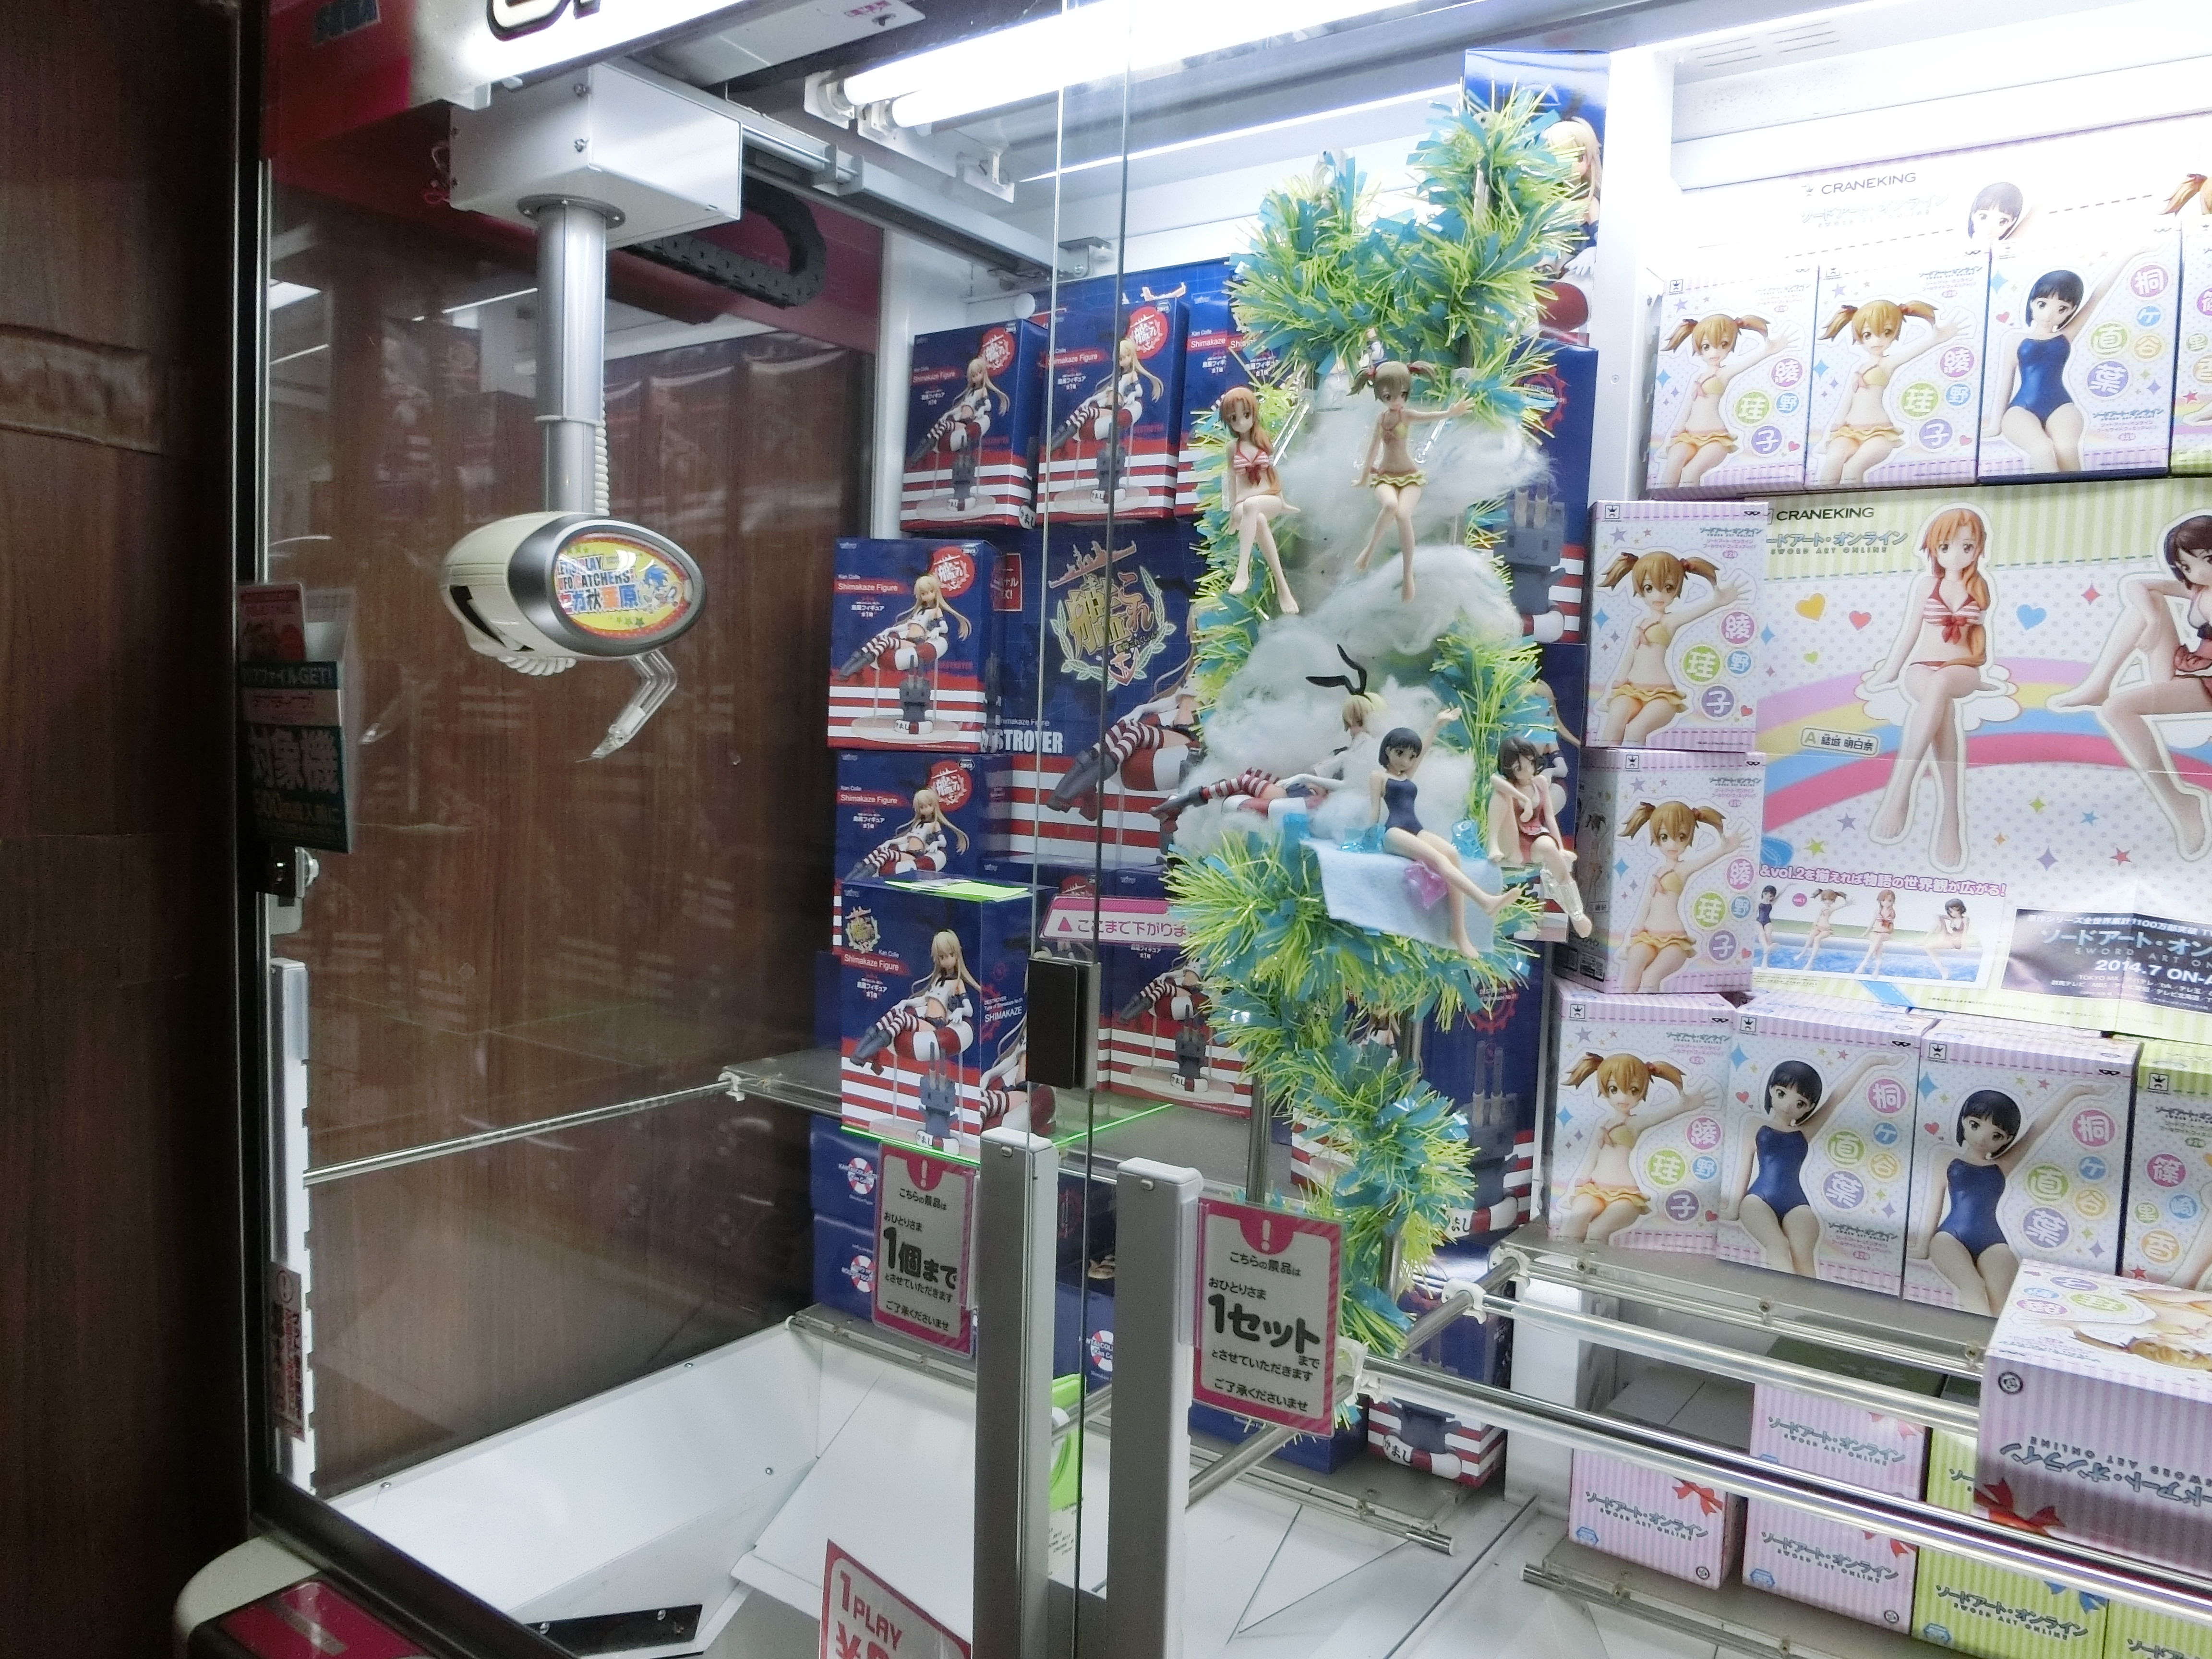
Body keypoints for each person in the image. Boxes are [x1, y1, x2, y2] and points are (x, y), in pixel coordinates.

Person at [2048, 513, 2212, 860]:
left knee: (2117, 709)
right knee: (2148, 602)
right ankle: (2099, 683)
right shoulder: (2199, 589)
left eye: (2207, 560)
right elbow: (2136, 585)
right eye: (2187, 566)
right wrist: (2154, 622)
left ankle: (2180, 802)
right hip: (2192, 669)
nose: (2197, 572)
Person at [1862, 507, 2002, 873]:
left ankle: (1900, 789)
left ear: (1978, 548)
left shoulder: (1979, 586)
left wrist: (1983, 672)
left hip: (1962, 670)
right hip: (1921, 668)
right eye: (1946, 546)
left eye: (1967, 546)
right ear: (1935, 548)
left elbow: (1978, 638)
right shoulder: (1926, 585)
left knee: (1941, 688)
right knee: (1943, 707)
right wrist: (1889, 672)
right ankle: (1949, 818)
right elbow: (1910, 632)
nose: (1956, 555)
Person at [1909, 1083, 2105, 1313]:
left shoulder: (2002, 1165)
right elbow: (1935, 1202)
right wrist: (1923, 1245)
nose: (1983, 1138)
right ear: (1963, 1121)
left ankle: (1992, 1335)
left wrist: (2073, 1092)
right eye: (1975, 1125)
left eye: (1996, 1135)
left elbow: (2035, 1131)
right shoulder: (1946, 1159)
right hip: (1948, 1237)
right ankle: (1975, 1333)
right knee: (1973, 1286)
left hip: (1993, 1241)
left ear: (2007, 1139)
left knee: (2001, 1298)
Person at [1720, 1054, 1893, 1276]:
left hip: (1797, 1203)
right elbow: (1744, 1165)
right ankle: (1785, 1294)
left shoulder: (1804, 1132)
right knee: (1778, 1245)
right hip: (1757, 1200)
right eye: (1782, 1094)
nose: (1788, 1106)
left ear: (1809, 1108)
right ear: (1771, 1090)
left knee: (1803, 1257)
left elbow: (1835, 1099)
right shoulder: (1755, 1124)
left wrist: (1868, 1063)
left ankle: (1807, 1297)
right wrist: (1734, 1207)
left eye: (1800, 1103)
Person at [1983, 253, 2141, 473]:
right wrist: (1995, 425)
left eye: (2062, 309)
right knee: (2042, 449)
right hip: (2020, 409)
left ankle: (2078, 493)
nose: (2049, 315)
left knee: (2066, 448)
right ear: (2031, 303)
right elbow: (2005, 383)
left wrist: (2130, 255)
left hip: (2061, 405)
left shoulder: (2066, 336)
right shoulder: (2015, 339)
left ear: (2072, 311)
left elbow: (2097, 296)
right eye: (2043, 304)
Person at [1369, 724, 1510, 960]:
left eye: (1411, 757)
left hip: (1416, 828)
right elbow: (1375, 808)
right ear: (1388, 750)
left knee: (1452, 855)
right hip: (1393, 832)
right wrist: (1369, 835)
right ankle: (1485, 900)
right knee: (1437, 858)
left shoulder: (1406, 776)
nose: (1405, 761)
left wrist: (1436, 723)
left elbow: (1423, 752)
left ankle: (1459, 933)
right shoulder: (1378, 776)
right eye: (1400, 753)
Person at [1557, 1051, 1714, 1244]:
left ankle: (1596, 1260)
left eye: (1633, 1090)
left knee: (1597, 1232)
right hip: (1593, 1189)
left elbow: (1660, 1116)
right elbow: (1591, 1160)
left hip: (1625, 1194)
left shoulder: (1634, 1123)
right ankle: (1562, 1259)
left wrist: (1685, 1107)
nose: (1623, 1097)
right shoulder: (1603, 1125)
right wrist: (1576, 1189)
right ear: (1605, 1089)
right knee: (1574, 1223)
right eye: (1614, 1089)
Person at [1595, 548, 1747, 745]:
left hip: (1662, 694)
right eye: (1649, 588)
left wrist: (1718, 602)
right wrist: (1617, 683)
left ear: (1676, 589)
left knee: (1635, 730)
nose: (1659, 595)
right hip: (1631, 689)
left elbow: (1694, 613)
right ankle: (1603, 761)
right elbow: (1629, 658)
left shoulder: (1670, 621)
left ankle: (1635, 763)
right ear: (1641, 589)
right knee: (1616, 717)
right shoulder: (1640, 625)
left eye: (1668, 587)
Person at [1351, 360, 1469, 603]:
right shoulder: (1381, 419)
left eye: (1403, 394)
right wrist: (1363, 477)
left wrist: (1452, 413)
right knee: (1390, 506)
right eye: (1389, 396)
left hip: (1410, 476)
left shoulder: (1406, 416)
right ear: (1380, 394)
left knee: (1403, 515)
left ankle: (1408, 575)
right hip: (1385, 475)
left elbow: (1431, 416)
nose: (1397, 400)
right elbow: (1372, 450)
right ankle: (1369, 551)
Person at [1813, 300, 1959, 486]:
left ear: (1894, 334)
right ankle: (1823, 503)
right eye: (1868, 335)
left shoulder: (1887, 363)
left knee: (1853, 469)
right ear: (1860, 336)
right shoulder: (1859, 368)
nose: (1877, 341)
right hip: (1848, 430)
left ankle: (1853, 504)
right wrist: (1835, 426)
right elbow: (1847, 400)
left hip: (1879, 432)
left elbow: (1912, 353)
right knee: (1833, 461)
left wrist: (1935, 340)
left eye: (1886, 333)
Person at [1654, 314, 1794, 490]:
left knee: (1690, 473)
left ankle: (1689, 506)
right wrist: (1675, 434)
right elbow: (1686, 409)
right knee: (1674, 463)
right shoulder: (1698, 377)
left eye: (1723, 345)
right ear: (1699, 348)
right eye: (1707, 347)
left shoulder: (1724, 373)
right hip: (1688, 436)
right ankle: (1662, 503)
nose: (1714, 353)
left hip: (1715, 438)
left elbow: (1745, 364)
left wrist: (1768, 352)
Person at [1618, 800, 1746, 992]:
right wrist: (1635, 933)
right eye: (1664, 837)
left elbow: (1703, 861)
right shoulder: (1658, 871)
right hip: (1647, 937)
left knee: (1650, 977)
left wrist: (1724, 849)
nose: (1673, 844)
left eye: (1681, 837)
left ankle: (1647, 1009)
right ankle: (1621, 1006)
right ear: (1656, 837)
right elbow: (1646, 904)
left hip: (1675, 940)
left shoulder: (1682, 869)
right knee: (1633, 966)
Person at [1487, 734, 1591, 936]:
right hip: (1512, 842)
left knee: (1549, 847)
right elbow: (1495, 780)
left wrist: (1560, 848)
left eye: (1530, 763)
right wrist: (1523, 800)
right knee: (1502, 795)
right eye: (1519, 768)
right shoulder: (1506, 784)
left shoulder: (1541, 782)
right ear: (1509, 768)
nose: (1527, 771)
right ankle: (1493, 846)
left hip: (1534, 837)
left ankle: (1576, 914)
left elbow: (1550, 817)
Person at [1217, 385, 1298, 613]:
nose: (1241, 422)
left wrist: (1282, 500)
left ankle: (1242, 571)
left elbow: (1272, 474)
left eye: (1246, 415)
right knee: (1258, 520)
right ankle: (1284, 589)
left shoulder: (1263, 441)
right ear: (1228, 421)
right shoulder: (1232, 448)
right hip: (1243, 504)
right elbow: (1231, 480)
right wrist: (1232, 513)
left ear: (1254, 414)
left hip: (1267, 498)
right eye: (1234, 418)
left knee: (1254, 507)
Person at [846, 787, 969, 880]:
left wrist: (936, 844)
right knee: (879, 851)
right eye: (922, 807)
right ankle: (854, 874)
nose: (925, 809)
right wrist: (889, 842)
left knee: (886, 854)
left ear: (934, 806)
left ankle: (861, 877)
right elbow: (907, 839)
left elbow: (944, 842)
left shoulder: (934, 825)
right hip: (906, 853)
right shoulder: (918, 823)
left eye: (929, 806)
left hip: (916, 855)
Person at [1856, 888, 1899, 975]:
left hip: (1885, 934)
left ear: (1893, 901)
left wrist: (1892, 933)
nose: (1886, 903)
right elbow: (1872, 923)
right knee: (1879, 948)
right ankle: (1877, 969)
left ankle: (1864, 963)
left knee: (1879, 939)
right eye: (1884, 900)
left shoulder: (1892, 912)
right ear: (1880, 901)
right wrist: (1866, 933)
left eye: (1889, 901)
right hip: (1875, 932)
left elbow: (1892, 924)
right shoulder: (1878, 911)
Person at [1755, 884, 1778, 962]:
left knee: (1768, 935)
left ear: (1773, 897)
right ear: (1763, 893)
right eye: (1766, 894)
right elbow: (1754, 914)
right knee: (1762, 933)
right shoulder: (1759, 903)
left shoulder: (1771, 904)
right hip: (1758, 921)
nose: (1768, 897)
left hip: (1768, 921)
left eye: (1771, 896)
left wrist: (1787, 886)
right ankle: (1766, 948)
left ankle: (1766, 955)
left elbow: (1780, 895)